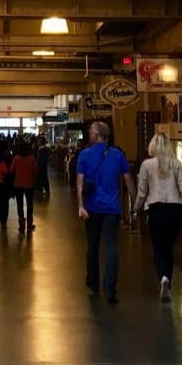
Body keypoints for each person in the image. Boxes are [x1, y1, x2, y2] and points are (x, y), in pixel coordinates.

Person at [76, 120, 135, 303]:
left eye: (90, 132)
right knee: (111, 247)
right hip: (112, 208)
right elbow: (128, 180)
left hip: (92, 208)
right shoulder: (117, 155)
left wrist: (81, 206)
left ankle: (93, 282)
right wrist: (136, 203)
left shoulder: (84, 155)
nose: (89, 135)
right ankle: (110, 288)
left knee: (92, 245)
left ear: (96, 135)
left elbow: (80, 184)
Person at [133, 132, 182, 299]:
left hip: (156, 209)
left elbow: (142, 192)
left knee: (158, 246)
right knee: (169, 246)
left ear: (152, 146)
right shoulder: (176, 164)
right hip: (175, 210)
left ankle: (163, 276)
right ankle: (168, 275)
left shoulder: (146, 165)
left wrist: (135, 208)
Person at [10, 138, 37, 232]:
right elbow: (35, 172)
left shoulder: (16, 158)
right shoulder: (32, 159)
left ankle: (21, 224)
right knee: (30, 205)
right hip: (29, 185)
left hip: (18, 184)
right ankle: (29, 224)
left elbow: (11, 171)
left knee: (20, 205)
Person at [0, 137, 14, 228]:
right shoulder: (9, 156)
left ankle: (2, 221)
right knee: (5, 202)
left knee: (0, 201)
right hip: (7, 182)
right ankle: (4, 221)